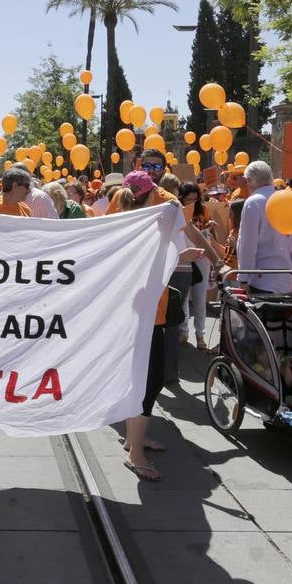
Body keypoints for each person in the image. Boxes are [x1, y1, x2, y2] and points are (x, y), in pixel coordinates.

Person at [109, 179, 206, 481]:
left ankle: (132, 439)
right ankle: (135, 453)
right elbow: (145, 264)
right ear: (150, 194)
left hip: (149, 312)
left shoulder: (130, 223)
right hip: (145, 315)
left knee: (140, 379)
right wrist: (181, 257)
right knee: (148, 383)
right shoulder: (144, 226)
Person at [235, 161, 292, 293]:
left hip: (260, 279)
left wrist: (243, 277)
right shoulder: (287, 199)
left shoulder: (253, 202)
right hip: (286, 278)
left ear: (248, 180)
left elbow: (247, 243)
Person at [178, 181, 220, 349]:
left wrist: (210, 227)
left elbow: (207, 231)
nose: (192, 202)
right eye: (189, 199)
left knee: (200, 295)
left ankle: (200, 335)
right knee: (183, 294)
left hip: (202, 255)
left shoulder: (203, 209)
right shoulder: (178, 211)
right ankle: (183, 331)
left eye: (195, 198)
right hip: (184, 252)